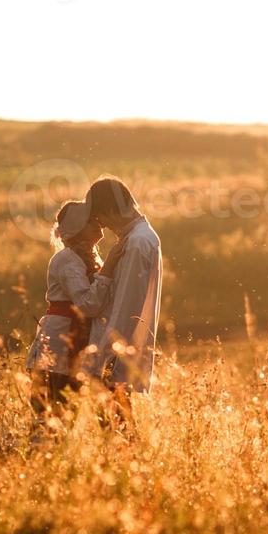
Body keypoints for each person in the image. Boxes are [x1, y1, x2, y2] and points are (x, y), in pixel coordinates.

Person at [81, 177, 163, 416]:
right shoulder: (139, 237)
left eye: (101, 219)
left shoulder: (137, 243)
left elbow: (127, 305)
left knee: (114, 425)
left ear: (110, 211)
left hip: (117, 350)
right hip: (120, 348)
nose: (103, 227)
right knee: (116, 423)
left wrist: (107, 353)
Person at [25, 200, 112, 412]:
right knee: (52, 408)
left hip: (76, 338)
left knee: (68, 409)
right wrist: (109, 271)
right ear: (79, 229)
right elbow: (87, 304)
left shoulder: (90, 256)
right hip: (59, 342)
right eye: (92, 220)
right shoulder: (67, 260)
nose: (98, 223)